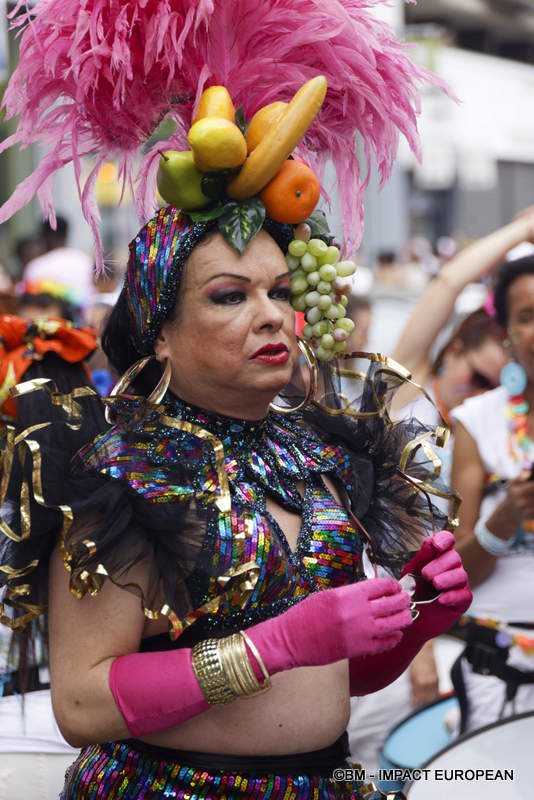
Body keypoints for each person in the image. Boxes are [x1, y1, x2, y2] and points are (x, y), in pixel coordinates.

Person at [0, 3, 472, 798]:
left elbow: (336, 678)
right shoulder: (123, 467)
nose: (271, 314)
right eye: (229, 296)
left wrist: (415, 616)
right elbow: (81, 702)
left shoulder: (322, 454)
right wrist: (275, 644)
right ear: (159, 332)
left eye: (280, 291)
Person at [450, 254, 534, 735]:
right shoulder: (477, 422)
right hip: (498, 674)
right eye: (527, 316)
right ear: (506, 333)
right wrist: (503, 520)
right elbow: (456, 574)